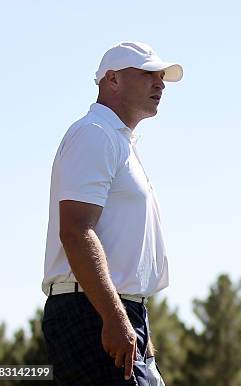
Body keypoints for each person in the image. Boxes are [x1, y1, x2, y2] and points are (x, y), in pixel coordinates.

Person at [41, 41, 183, 385]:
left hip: (116, 310)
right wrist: (114, 315)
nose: (160, 84)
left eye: (161, 76)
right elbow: (75, 231)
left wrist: (134, 320)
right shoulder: (95, 134)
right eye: (148, 74)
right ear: (112, 80)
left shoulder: (117, 141)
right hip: (92, 310)